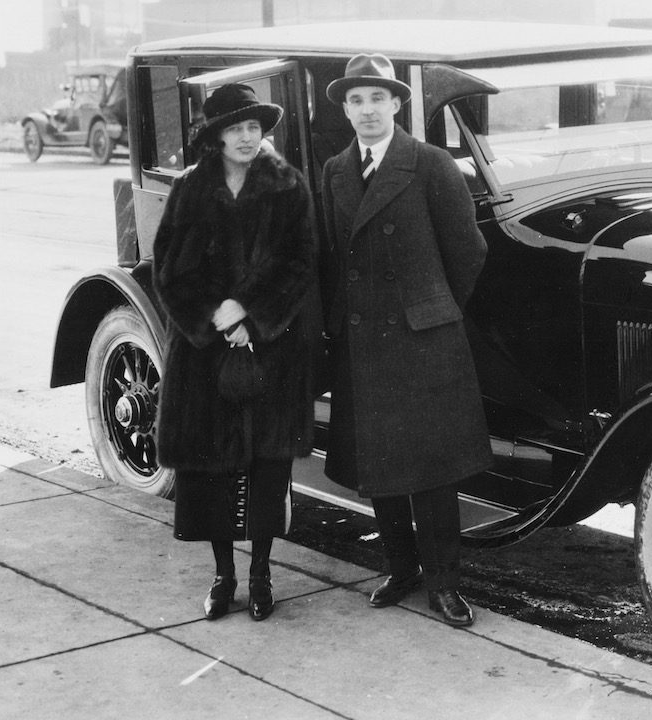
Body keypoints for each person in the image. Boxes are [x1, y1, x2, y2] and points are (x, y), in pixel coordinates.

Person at [317, 53, 491, 627]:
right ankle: (401, 569)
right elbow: (331, 255)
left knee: (431, 470)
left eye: (376, 98)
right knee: (380, 463)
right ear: (345, 109)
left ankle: (444, 582)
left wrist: (431, 311)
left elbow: (467, 252)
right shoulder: (335, 171)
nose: (367, 110)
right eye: (355, 100)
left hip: (422, 340)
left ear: (397, 104)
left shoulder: (431, 164)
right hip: (364, 339)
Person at [153, 83, 321, 622]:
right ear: (217, 136)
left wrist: (251, 314)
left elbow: (300, 264)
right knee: (212, 468)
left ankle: (262, 572)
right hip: (204, 355)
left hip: (271, 350)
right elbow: (169, 270)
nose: (248, 137)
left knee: (267, 467)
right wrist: (216, 317)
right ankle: (224, 575)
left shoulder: (288, 186)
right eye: (236, 128)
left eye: (254, 127)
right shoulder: (190, 189)